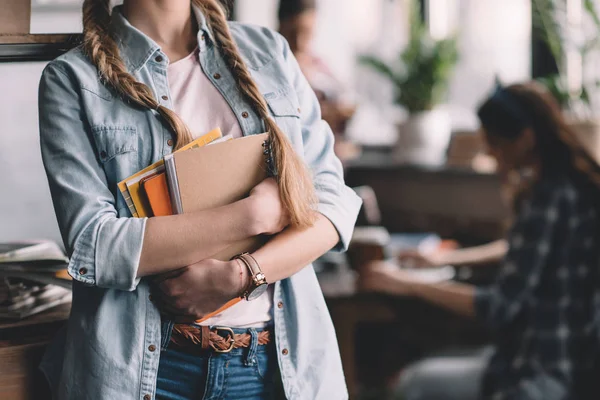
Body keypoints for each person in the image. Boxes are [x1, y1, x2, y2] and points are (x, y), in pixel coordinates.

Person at [37, 1, 362, 399]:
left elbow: (331, 202)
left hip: (275, 366)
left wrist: (240, 276)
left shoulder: (268, 51)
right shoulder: (72, 77)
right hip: (146, 373)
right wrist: (252, 215)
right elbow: (95, 245)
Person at [361, 82, 600, 400]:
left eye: (495, 143)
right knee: (418, 377)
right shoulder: (572, 185)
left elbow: (498, 307)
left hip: (543, 370)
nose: (489, 152)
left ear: (526, 138)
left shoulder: (548, 198)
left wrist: (405, 284)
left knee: (411, 384)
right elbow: (522, 249)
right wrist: (444, 259)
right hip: (552, 359)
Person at [278, 0, 359, 161]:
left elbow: (345, 101)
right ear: (280, 26)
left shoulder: (321, 66)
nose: (300, 42)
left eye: (306, 33)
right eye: (293, 33)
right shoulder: (272, 68)